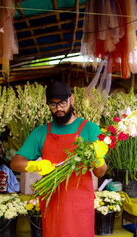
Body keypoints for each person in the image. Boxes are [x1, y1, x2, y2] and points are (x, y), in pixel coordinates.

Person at [11, 80, 107, 237]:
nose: (58, 109)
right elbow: (15, 163)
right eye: (53, 105)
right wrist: (35, 165)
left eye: (62, 103)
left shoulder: (90, 129)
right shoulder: (41, 132)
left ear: (72, 99)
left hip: (80, 205)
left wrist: (98, 160)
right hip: (53, 204)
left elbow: (100, 173)